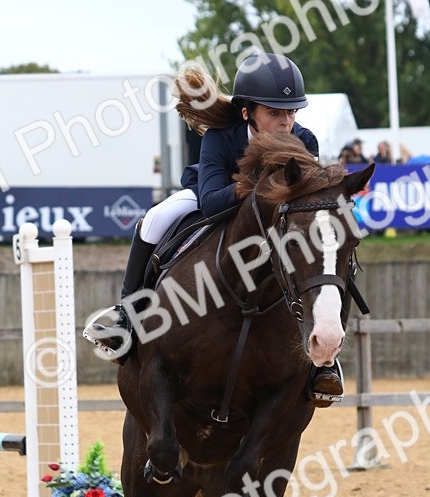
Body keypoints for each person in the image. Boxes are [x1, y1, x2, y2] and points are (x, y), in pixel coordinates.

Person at [85, 53, 344, 405]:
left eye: (291, 112)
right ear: (247, 112)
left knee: (329, 251)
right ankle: (126, 318)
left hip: (278, 220)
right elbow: (210, 202)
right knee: (154, 220)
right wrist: (252, 186)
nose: (286, 123)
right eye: (274, 112)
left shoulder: (305, 141)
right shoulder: (221, 137)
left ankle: (324, 363)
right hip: (214, 195)